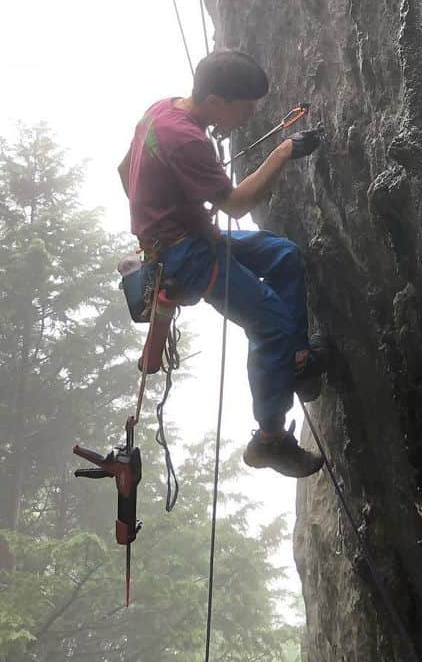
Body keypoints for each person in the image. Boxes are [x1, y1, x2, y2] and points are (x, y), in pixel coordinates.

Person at [118, 49, 327, 477]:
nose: (249, 117)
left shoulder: (161, 112)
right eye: (245, 108)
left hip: (188, 239)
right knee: (270, 324)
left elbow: (125, 170)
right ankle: (270, 439)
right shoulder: (188, 139)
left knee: (284, 256)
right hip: (185, 257)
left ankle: (297, 363)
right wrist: (283, 152)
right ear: (216, 102)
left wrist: (164, 213)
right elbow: (236, 204)